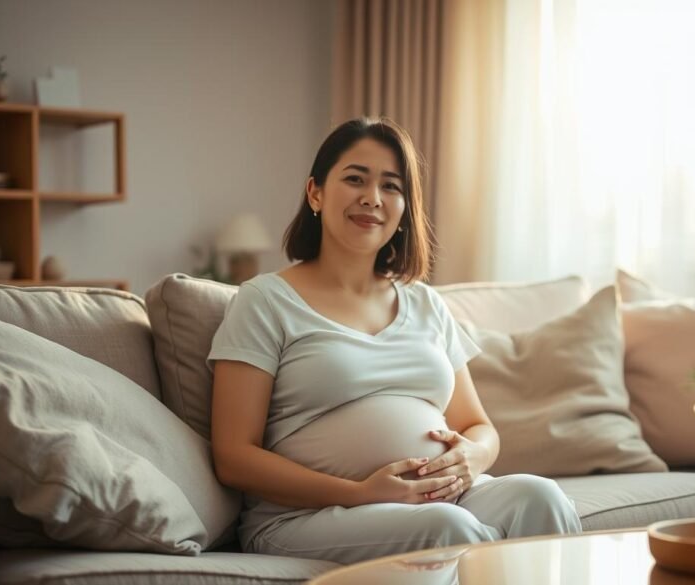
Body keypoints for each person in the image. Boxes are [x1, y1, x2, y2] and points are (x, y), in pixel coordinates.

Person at [206, 117, 581, 564]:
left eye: (391, 186)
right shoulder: (264, 301)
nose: (372, 198)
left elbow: (479, 426)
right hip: (307, 514)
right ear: (315, 193)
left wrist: (473, 458)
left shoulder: (424, 303)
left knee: (543, 497)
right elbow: (233, 456)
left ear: (405, 207)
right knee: (448, 528)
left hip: (442, 496)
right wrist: (361, 492)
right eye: (354, 179)